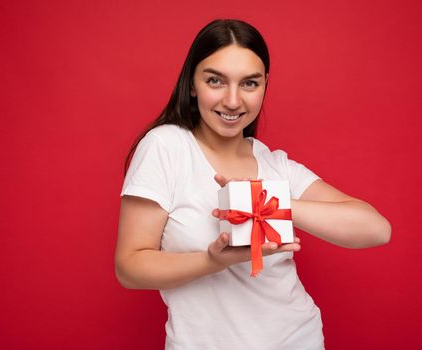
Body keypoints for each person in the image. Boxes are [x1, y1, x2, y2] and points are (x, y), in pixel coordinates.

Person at [114, 19, 391, 350]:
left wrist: (269, 203)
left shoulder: (276, 166)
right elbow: (129, 267)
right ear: (192, 83)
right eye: (215, 80)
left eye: (249, 84)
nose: (233, 101)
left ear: (265, 85)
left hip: (297, 339)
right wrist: (216, 260)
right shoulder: (167, 147)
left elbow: (376, 229)